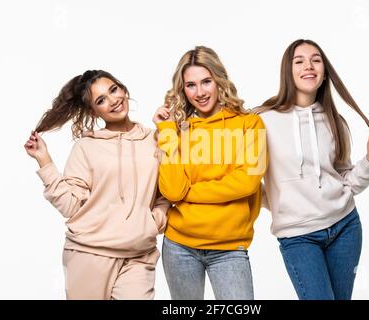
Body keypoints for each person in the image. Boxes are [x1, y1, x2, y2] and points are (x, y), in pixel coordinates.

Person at [255, 39, 369, 300]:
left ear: (325, 71)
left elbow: (347, 181)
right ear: (287, 71)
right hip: (298, 236)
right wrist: (278, 203)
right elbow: (245, 177)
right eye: (299, 60)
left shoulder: (335, 122)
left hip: (345, 227)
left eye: (316, 60)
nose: (309, 66)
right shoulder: (262, 120)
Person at [24, 70, 169, 299]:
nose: (113, 101)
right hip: (88, 254)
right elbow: (71, 205)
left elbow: (166, 192)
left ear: (123, 89)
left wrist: (154, 221)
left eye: (114, 90)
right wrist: (44, 160)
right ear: (94, 111)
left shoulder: (155, 139)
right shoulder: (86, 146)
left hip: (139, 255)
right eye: (101, 100)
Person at [152, 46, 267, 300]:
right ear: (182, 89)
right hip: (179, 245)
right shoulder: (177, 130)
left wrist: (188, 192)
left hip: (229, 247)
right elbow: (171, 190)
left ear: (219, 80)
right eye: (191, 85)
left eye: (206, 81)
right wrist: (167, 131)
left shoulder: (250, 124)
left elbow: (246, 183)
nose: (200, 92)